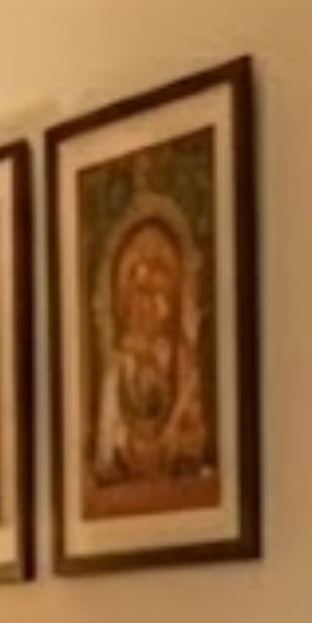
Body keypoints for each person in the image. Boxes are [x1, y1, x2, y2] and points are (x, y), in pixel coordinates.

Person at [90, 196, 214, 505]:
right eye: (140, 294)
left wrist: (169, 445)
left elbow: (193, 429)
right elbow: (107, 440)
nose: (147, 306)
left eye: (158, 294)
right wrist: (128, 445)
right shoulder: (117, 368)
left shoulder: (182, 361)